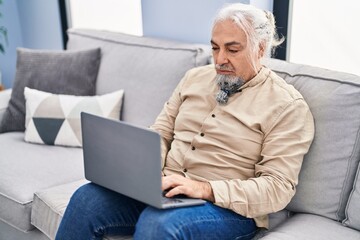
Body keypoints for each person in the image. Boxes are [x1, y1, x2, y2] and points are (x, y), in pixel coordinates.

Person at [55, 3, 314, 240]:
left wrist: (203, 189)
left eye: (233, 49)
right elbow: (161, 132)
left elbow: (277, 188)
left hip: (225, 209)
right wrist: (145, 174)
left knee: (159, 224)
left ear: (260, 47)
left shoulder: (287, 107)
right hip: (166, 190)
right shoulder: (194, 78)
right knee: (86, 198)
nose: (220, 59)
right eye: (215, 47)